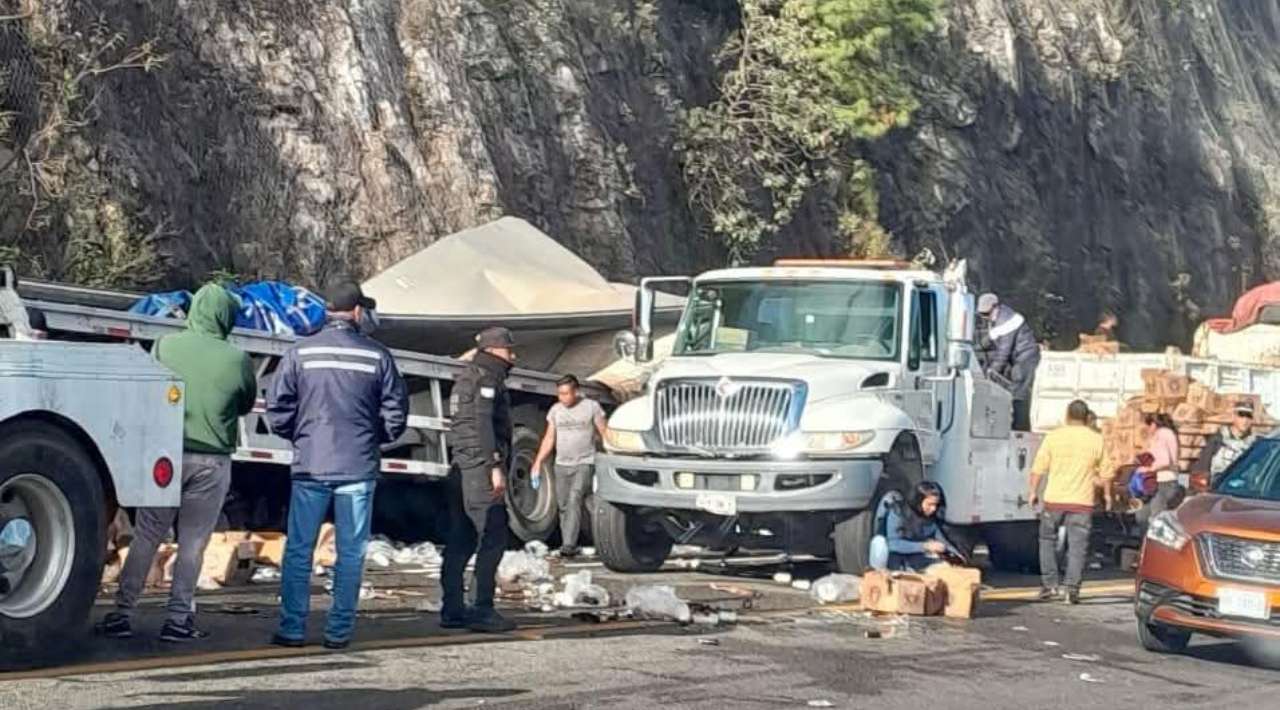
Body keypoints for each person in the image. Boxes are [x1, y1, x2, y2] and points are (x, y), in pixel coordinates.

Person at [100, 283, 257, 642]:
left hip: (165, 455)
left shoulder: (164, 345)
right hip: (212, 462)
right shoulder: (236, 358)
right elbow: (245, 403)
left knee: (148, 534)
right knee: (193, 543)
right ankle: (178, 619)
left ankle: (122, 613)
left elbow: (149, 389)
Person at [266, 279, 407, 650]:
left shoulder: (301, 352)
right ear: (358, 311)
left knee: (299, 549)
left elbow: (277, 407)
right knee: (350, 553)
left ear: (328, 311)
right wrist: (374, 437)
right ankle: (338, 632)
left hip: (311, 465)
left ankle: (292, 629)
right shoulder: (378, 355)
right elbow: (396, 413)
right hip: (358, 467)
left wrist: (301, 435)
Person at [441, 326, 518, 633]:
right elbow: (484, 423)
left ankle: (453, 608)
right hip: (479, 468)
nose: (514, 355)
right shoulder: (487, 376)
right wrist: (494, 465)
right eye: (509, 349)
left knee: (461, 537)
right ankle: (481, 608)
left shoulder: (467, 376)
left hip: (462, 466)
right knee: (493, 534)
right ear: (495, 350)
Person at [1028, 399, 1108, 605]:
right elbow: (1107, 472)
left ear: (1067, 415)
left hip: (1054, 499)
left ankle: (1050, 584)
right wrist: (1105, 494)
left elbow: (1038, 468)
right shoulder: (1096, 439)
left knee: (1047, 540)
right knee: (1077, 547)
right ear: (1086, 417)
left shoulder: (1054, 437)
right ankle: (1072, 590)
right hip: (1082, 501)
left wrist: (1032, 492)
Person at [531, 375, 607, 558]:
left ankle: (568, 545)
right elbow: (549, 438)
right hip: (562, 464)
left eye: (566, 394)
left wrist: (612, 455)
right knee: (565, 505)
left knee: (574, 498)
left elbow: (604, 431)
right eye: (560, 394)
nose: (562, 398)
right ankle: (594, 538)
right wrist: (537, 462)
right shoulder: (556, 410)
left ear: (576, 392)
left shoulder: (591, 407)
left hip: (585, 462)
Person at [977, 293, 1040, 431]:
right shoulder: (999, 318)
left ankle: (1020, 429)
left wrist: (991, 372)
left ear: (995, 307)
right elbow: (990, 339)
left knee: (1019, 393)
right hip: (1017, 357)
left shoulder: (1007, 321)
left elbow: (1003, 353)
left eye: (986, 314)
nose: (985, 318)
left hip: (1025, 357)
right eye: (982, 315)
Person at [868, 481, 962, 572]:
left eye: (935, 505)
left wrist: (955, 553)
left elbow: (941, 538)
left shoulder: (931, 518)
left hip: (915, 556)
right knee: (879, 543)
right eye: (929, 504)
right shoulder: (898, 512)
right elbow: (893, 544)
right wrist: (925, 546)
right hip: (894, 557)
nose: (933, 508)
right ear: (919, 501)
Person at [1193, 400, 1257, 487]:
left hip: (1243, 490)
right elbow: (1202, 468)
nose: (1245, 420)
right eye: (1241, 415)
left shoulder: (1255, 444)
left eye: (1248, 416)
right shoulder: (1217, 440)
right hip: (1218, 488)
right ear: (1233, 416)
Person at [1135, 412, 1183, 528]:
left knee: (1155, 517)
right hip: (1167, 481)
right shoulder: (1169, 434)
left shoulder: (1160, 435)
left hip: (1163, 482)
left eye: (1147, 427)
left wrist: (1148, 469)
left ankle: (1153, 542)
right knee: (1143, 515)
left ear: (1153, 425)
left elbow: (1164, 460)